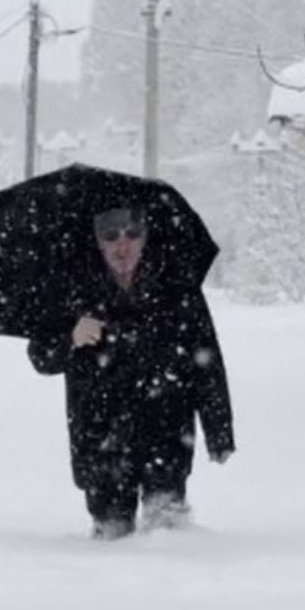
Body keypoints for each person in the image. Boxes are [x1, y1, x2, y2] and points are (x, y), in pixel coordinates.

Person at [26, 206, 235, 539]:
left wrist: (219, 428)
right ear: (97, 241)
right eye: (110, 236)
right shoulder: (73, 290)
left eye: (132, 235)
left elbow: (206, 360)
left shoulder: (177, 286)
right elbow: (40, 356)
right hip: (100, 439)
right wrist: (71, 338)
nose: (122, 246)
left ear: (146, 237)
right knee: (112, 542)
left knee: (169, 539)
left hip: (167, 430)